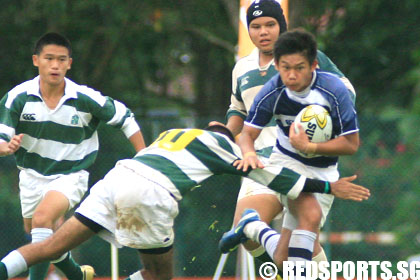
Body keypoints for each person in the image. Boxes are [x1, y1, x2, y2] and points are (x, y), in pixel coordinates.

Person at [0, 125, 369, 280]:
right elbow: (275, 179)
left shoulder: (174, 133)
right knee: (160, 276)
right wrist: (326, 184)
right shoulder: (223, 145)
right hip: (149, 192)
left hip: (116, 177)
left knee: (48, 245)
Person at [210, 0, 356, 267]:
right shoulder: (242, 68)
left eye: (270, 25)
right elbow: (237, 110)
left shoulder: (309, 59)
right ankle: (278, 269)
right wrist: (224, 133)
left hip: (305, 164)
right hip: (261, 164)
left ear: (282, 26)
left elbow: (347, 93)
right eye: (255, 26)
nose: (263, 32)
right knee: (247, 229)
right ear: (248, 30)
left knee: (301, 246)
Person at [0, 32, 145, 280]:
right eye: (49, 59)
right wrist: (4, 147)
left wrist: (145, 157)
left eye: (61, 59)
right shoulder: (18, 97)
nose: (55, 65)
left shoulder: (84, 98)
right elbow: (2, 138)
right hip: (31, 176)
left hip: (71, 175)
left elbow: (126, 118)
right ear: (36, 60)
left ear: (70, 63)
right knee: (38, 234)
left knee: (42, 220)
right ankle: (77, 275)